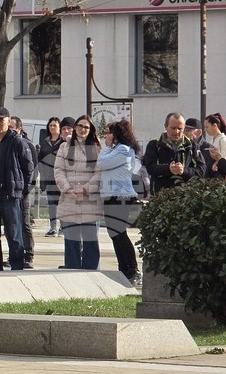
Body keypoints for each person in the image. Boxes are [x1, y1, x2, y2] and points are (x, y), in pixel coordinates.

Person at [0, 106, 35, 271]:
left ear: (8, 121)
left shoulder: (16, 141)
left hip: (10, 196)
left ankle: (17, 266)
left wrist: (21, 191)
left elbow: (29, 168)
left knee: (14, 234)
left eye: (1, 120)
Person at [97, 119, 142, 284]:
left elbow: (102, 163)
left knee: (119, 232)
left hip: (120, 196)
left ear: (117, 135)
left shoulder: (123, 150)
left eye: (109, 133)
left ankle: (133, 269)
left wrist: (107, 147)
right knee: (114, 234)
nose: (106, 136)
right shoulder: (116, 150)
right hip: (110, 195)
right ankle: (123, 268)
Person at [55, 115, 102, 270]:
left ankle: (91, 272)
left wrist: (85, 189)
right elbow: (59, 170)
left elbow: (99, 173)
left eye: (86, 127)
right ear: (75, 127)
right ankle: (72, 271)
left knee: (90, 241)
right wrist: (67, 189)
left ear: (91, 130)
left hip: (89, 200)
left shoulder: (96, 148)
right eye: (80, 126)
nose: (83, 129)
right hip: (69, 199)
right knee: (71, 241)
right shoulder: (64, 147)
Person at [141, 112, 205, 194]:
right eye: (173, 128)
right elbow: (150, 168)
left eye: (180, 128)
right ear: (166, 126)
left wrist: (184, 170)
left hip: (185, 195)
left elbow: (201, 170)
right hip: (161, 195)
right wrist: (168, 169)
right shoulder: (154, 145)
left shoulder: (192, 146)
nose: (176, 131)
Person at [9, 116, 36, 268]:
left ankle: (29, 254)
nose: (10, 130)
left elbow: (32, 170)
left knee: (24, 223)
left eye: (12, 127)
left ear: (19, 129)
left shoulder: (27, 145)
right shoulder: (7, 143)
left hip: (23, 192)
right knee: (13, 224)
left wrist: (25, 189)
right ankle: (15, 254)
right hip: (11, 192)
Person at [38, 117, 64, 237]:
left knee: (62, 203)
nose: (52, 127)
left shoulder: (63, 142)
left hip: (61, 177)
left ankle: (63, 227)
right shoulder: (45, 142)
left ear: (59, 127)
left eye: (55, 125)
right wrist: (42, 173)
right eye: (50, 125)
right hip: (49, 177)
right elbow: (40, 159)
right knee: (52, 204)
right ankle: (53, 227)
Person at [204, 113, 226, 177]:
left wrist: (217, 162)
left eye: (207, 127)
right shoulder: (212, 141)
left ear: (214, 126)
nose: (205, 130)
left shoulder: (223, 140)